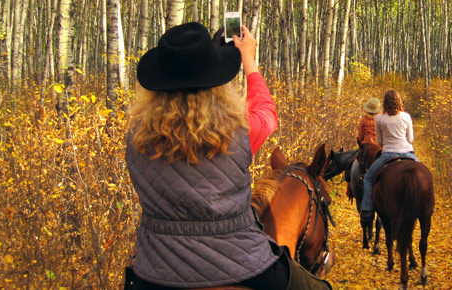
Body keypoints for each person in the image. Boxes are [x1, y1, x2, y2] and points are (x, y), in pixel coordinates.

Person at [124, 22, 331, 290]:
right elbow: (267, 114)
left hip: (155, 269)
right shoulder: (239, 130)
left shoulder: (137, 137)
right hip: (241, 261)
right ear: (217, 84)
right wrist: (249, 61)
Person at [360, 90, 419, 220]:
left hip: (388, 155)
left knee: (368, 178)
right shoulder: (406, 116)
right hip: (408, 153)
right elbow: (410, 139)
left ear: (385, 103)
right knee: (425, 177)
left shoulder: (379, 118)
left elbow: (380, 142)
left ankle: (367, 209)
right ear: (399, 101)